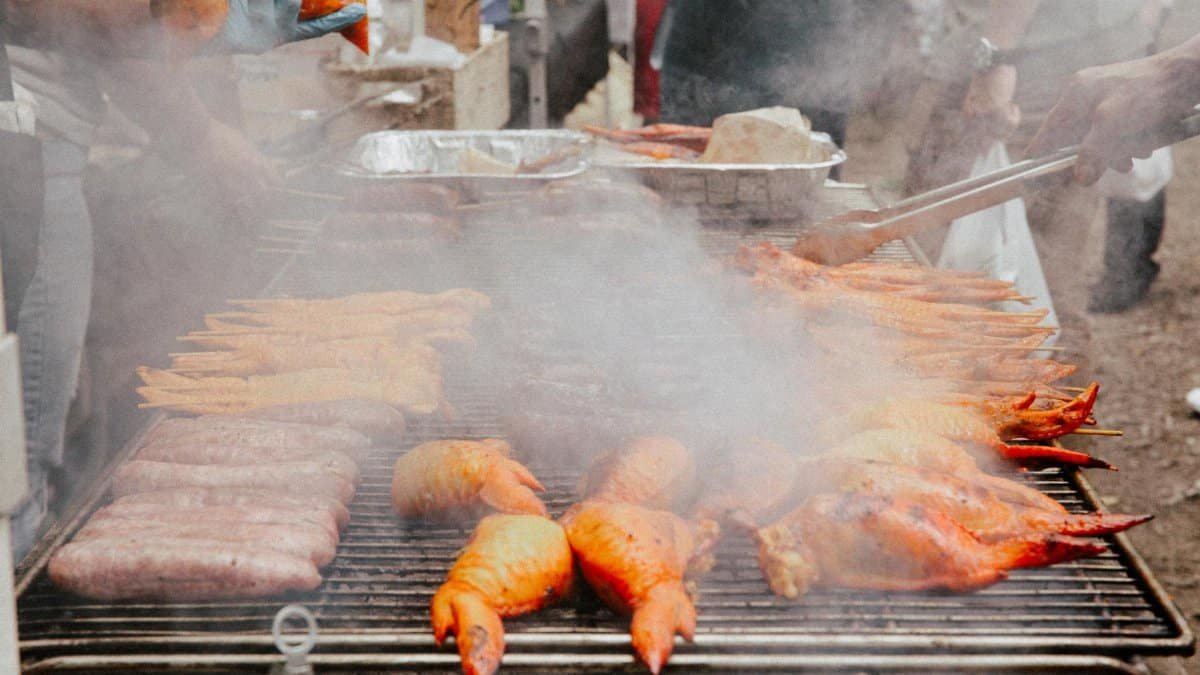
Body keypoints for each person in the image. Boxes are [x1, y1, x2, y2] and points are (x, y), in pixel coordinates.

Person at [2, 0, 366, 561]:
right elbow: (97, 17)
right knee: (20, 455)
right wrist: (198, 131)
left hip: (35, 134)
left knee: (24, 446)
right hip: (22, 139)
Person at [656, 0, 909, 168]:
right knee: (695, 172)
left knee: (804, 183)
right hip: (711, 45)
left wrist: (876, 56)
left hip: (816, 49)